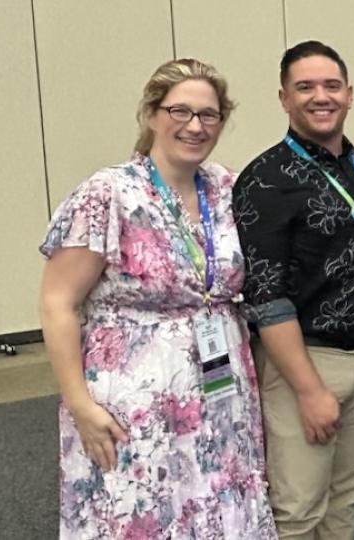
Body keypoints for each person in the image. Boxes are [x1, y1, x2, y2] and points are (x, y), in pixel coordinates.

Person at [38, 58, 275, 539]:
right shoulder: (108, 193)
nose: (195, 126)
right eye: (179, 111)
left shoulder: (228, 188)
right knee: (142, 512)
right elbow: (57, 302)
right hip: (134, 401)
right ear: (151, 114)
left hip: (220, 388)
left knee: (220, 504)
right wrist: (80, 405)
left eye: (208, 114)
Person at [233, 40, 354, 539]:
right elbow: (266, 296)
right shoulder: (265, 179)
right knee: (298, 509)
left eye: (331, 86)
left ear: (349, 94)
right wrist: (308, 390)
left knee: (346, 498)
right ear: (284, 98)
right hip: (306, 361)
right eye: (305, 87)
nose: (320, 97)